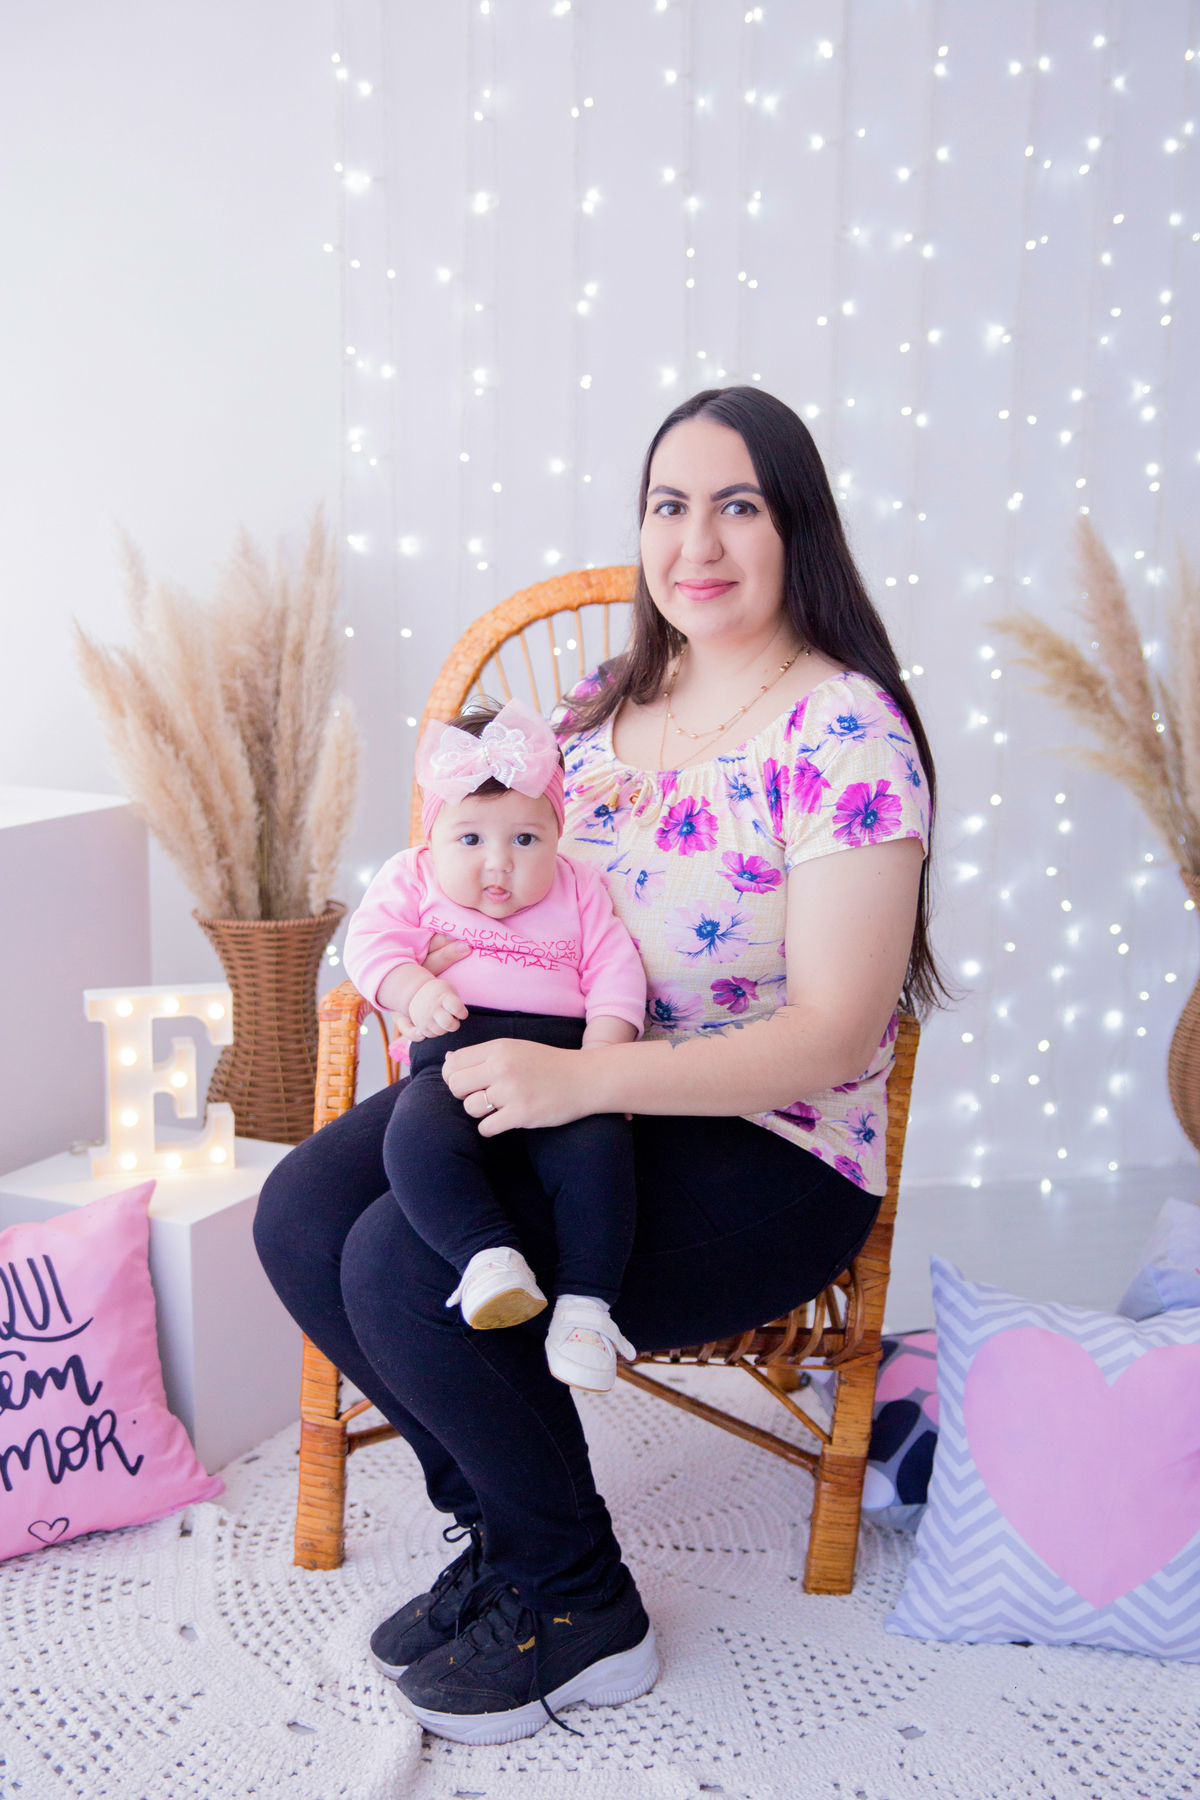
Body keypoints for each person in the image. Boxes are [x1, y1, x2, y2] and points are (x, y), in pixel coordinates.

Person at [254, 384, 944, 1748]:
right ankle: (508, 1534)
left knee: (408, 1259)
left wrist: (584, 1082)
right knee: (302, 1215)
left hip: (765, 1143)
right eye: (669, 506)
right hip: (552, 1087)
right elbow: (491, 880)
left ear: (795, 524)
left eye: (738, 503)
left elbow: (838, 1034)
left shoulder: (845, 734)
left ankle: (582, 1606)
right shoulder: (603, 704)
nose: (699, 541)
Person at [342, 696, 647, 1393]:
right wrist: (415, 989)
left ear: (556, 834)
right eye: (471, 840)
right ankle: (487, 1258)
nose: (498, 865)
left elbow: (615, 975)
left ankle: (586, 1307)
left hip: (564, 1065)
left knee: (600, 1158)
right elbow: (370, 945)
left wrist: (602, 1060)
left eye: (525, 840)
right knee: (415, 1140)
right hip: (457, 1057)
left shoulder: (579, 888)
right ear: (435, 836)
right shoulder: (411, 876)